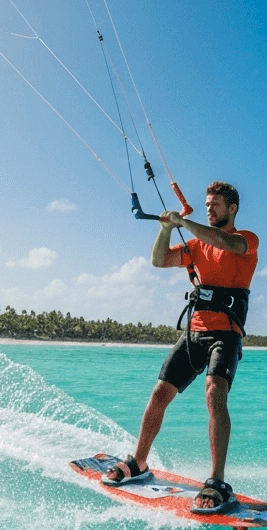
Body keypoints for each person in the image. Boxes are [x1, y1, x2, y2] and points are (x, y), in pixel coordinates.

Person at [105, 181, 259, 512]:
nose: (209, 208)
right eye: (207, 204)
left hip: (226, 334)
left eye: (216, 204)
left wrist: (184, 222)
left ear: (232, 209)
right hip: (194, 333)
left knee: (214, 393)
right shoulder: (193, 246)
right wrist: (165, 228)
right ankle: (139, 463)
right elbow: (159, 260)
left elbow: (222, 241)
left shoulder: (246, 240)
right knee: (159, 394)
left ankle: (217, 480)